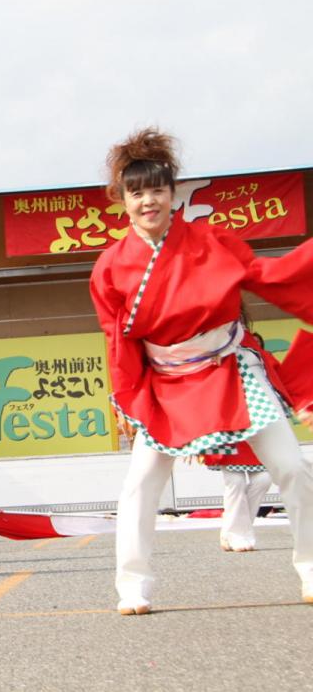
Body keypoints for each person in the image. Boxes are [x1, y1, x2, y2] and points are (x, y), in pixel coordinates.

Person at [90, 128, 313, 615]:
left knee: (292, 466)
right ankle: (134, 585)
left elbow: (271, 276)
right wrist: (128, 398)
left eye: (158, 190)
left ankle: (310, 566)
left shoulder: (212, 240)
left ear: (173, 194)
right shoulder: (110, 267)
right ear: (122, 201)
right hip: (166, 384)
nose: (149, 201)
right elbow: (118, 341)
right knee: (141, 484)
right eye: (137, 192)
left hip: (230, 368)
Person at [205, 441, 272, 552]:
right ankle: (237, 534)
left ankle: (232, 529)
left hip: (255, 433)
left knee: (263, 479)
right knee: (236, 482)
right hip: (227, 434)